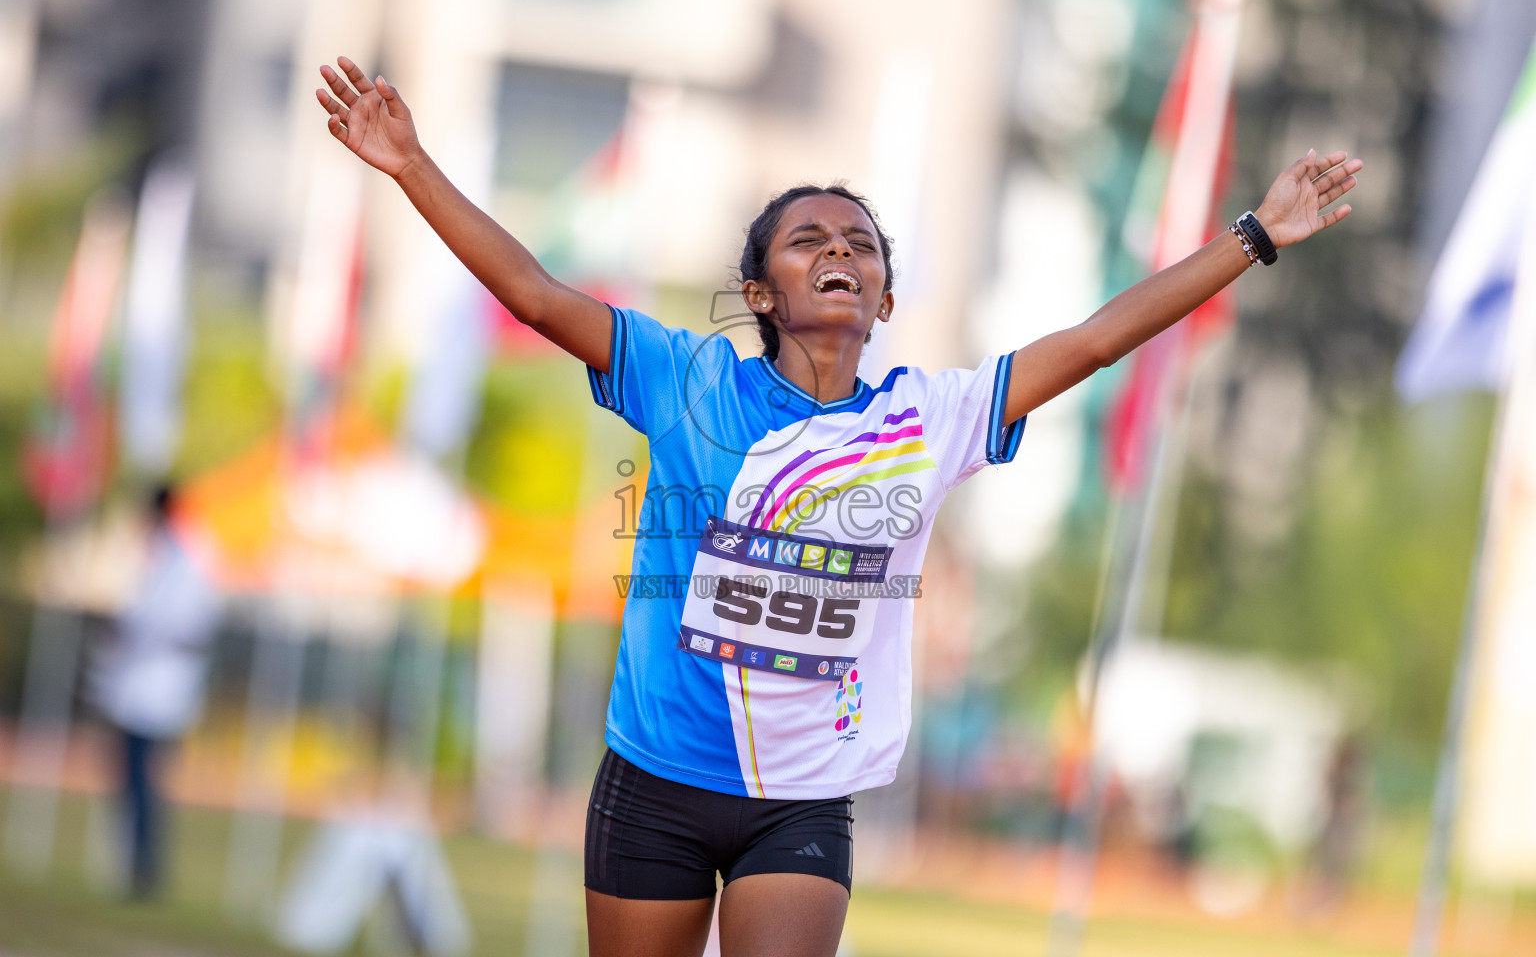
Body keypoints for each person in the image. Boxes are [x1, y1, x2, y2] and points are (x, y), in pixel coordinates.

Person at [315, 55, 1362, 957]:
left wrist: (1255, 237)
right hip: (655, 782)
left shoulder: (932, 417)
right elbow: (537, 294)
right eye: (809, 238)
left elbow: (1092, 340)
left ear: (885, 301)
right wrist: (410, 166)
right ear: (762, 291)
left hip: (801, 799)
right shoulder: (688, 380)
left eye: (861, 245)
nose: (839, 252)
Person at [91, 483, 222, 898]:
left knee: (143, 780)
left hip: (160, 689)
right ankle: (130, 863)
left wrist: (143, 638)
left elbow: (190, 628)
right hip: (135, 686)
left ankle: (144, 869)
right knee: (129, 780)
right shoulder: (156, 556)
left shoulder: (190, 560)